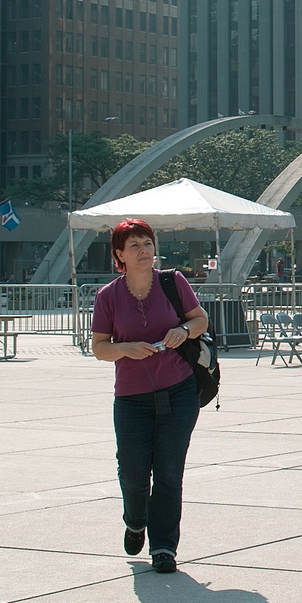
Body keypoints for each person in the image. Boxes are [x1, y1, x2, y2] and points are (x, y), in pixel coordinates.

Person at [91, 219, 211, 574]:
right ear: (119, 256)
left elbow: (200, 320)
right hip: (131, 398)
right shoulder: (108, 296)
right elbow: (99, 348)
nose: (144, 251)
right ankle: (135, 520)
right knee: (132, 471)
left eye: (148, 243)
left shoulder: (173, 283)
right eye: (135, 246)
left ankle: (163, 547)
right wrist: (125, 348)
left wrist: (183, 330)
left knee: (170, 473)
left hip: (179, 390)